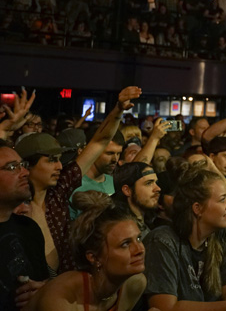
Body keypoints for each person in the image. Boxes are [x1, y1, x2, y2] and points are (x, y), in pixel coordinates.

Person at [23, 86, 142, 274]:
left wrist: (118, 109)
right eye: (51, 160)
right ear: (27, 166)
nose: (60, 166)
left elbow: (99, 142)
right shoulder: (12, 208)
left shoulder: (58, 193)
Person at [143, 167, 226, 309]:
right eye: (223, 199)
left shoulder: (221, 232)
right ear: (197, 208)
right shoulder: (162, 241)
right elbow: (165, 307)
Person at [30, 191, 147, 310]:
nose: (140, 249)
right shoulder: (62, 297)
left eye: (138, 238)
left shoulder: (134, 285)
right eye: (125, 244)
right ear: (94, 257)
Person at [0, 145, 48, 310]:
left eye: (23, 165)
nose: (25, 172)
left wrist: (43, 290)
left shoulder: (29, 228)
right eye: (12, 167)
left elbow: (42, 279)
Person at [112, 161, 161, 239]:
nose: (158, 188)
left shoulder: (149, 223)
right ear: (127, 190)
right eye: (148, 183)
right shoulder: (119, 229)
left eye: (156, 182)